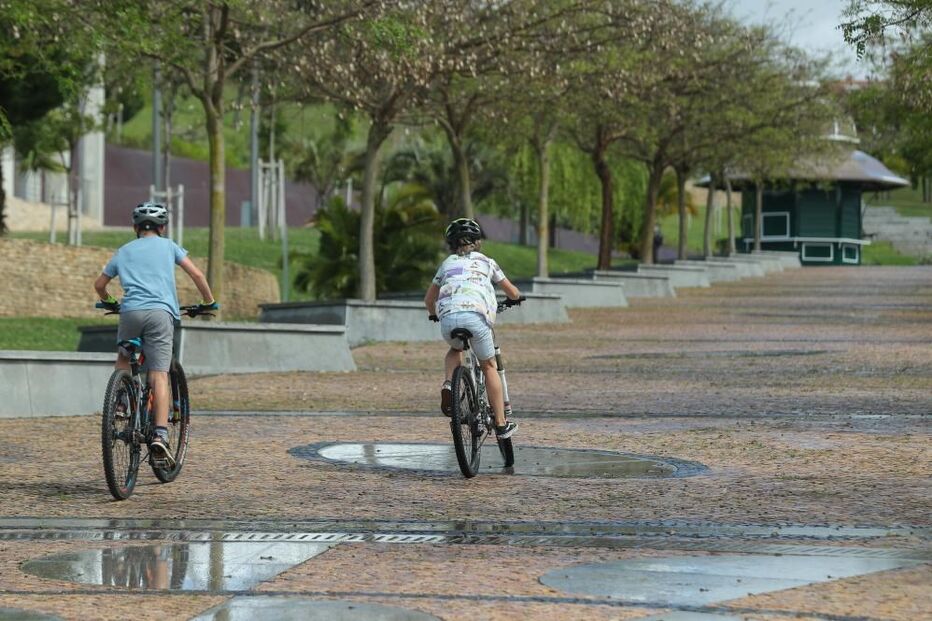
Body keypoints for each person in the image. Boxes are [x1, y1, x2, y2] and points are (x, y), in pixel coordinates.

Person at [93, 202, 217, 464]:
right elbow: (196, 274)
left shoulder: (124, 250)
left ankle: (120, 402)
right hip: (160, 314)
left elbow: (100, 284)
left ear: (135, 227)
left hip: (130, 313)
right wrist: (208, 302)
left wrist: (110, 301)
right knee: (159, 374)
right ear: (162, 227)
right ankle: (160, 435)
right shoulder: (169, 246)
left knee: (124, 358)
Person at [424, 218, 522, 439]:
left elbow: (429, 299)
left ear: (451, 245)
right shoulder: (487, 262)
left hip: (449, 318)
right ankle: (501, 424)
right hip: (476, 317)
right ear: (477, 242)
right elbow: (512, 292)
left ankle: (449, 384)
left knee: (455, 349)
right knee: (489, 366)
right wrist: (516, 298)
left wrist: (433, 314)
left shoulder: (447, 264)